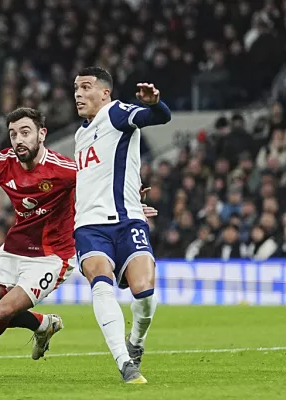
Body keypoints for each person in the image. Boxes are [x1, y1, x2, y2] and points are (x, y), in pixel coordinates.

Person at [0, 107, 157, 379]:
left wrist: (131, 204)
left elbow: (103, 186)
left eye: (25, 132)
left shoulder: (64, 170)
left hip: (51, 257)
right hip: (13, 249)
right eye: (13, 134)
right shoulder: (1, 162)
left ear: (42, 135)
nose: (18, 140)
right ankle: (43, 324)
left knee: (3, 310)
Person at [72, 67, 171, 384]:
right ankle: (125, 363)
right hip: (90, 227)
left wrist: (155, 104)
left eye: (86, 87)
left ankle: (136, 343)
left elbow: (158, 118)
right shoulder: (80, 134)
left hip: (127, 221)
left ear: (105, 93)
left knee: (144, 294)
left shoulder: (114, 113)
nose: (78, 93)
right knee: (101, 283)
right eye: (75, 88)